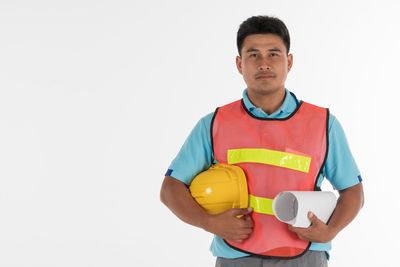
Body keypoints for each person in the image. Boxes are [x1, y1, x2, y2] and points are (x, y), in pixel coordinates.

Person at [160, 15, 364, 267]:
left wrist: (330, 231)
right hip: (235, 256)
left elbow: (353, 191)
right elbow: (170, 188)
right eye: (253, 55)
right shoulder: (213, 123)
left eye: (274, 54)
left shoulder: (323, 122)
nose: (264, 64)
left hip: (305, 255)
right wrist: (209, 222)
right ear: (239, 64)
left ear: (289, 62)